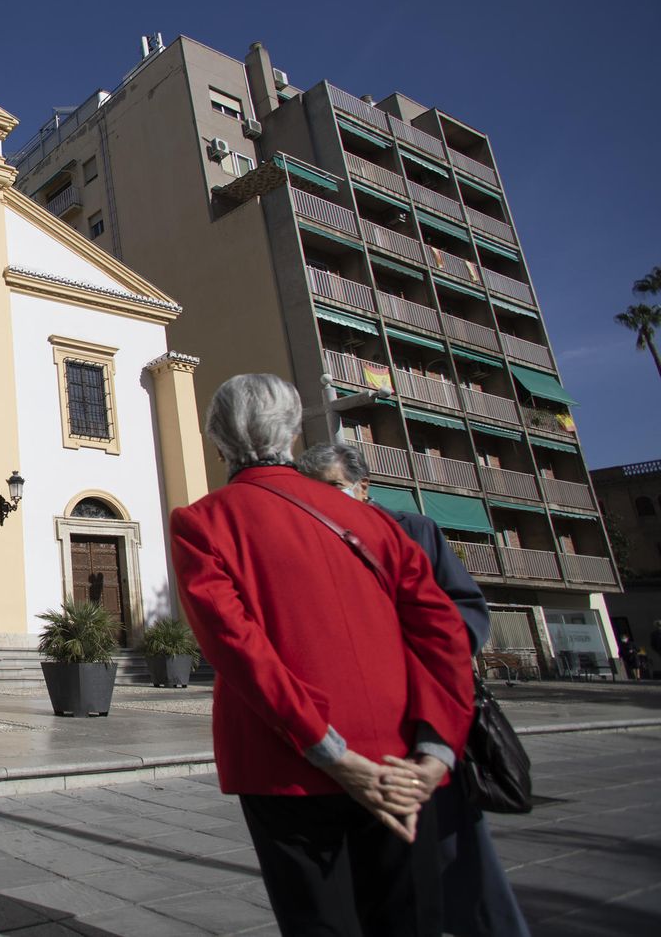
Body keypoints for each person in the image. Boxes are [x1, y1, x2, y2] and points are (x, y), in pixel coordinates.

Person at [170, 374, 473, 937]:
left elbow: (239, 650)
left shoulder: (204, 523)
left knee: (319, 923)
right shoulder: (373, 520)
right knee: (409, 922)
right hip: (402, 762)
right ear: (293, 434)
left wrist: (331, 752)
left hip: (287, 767)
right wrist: (436, 751)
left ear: (217, 443)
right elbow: (443, 634)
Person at [298, 442, 529, 937]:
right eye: (315, 491)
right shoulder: (313, 539)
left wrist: (421, 658)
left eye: (335, 487)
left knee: (459, 860)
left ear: (363, 487)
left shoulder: (414, 530)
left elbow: (465, 611)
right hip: (361, 729)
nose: (326, 499)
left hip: (426, 718)